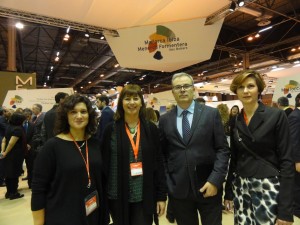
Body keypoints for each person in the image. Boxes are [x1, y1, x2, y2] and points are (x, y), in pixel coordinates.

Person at [224, 70, 294, 225]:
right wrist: (228, 191)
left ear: (259, 89)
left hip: (268, 186)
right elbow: (234, 159)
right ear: (236, 91)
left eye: (250, 86)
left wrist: (285, 210)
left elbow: (287, 161)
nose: (246, 91)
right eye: (241, 87)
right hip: (242, 187)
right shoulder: (235, 120)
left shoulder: (275, 116)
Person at [159, 72, 230, 225]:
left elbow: (222, 149)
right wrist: (169, 182)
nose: (182, 90)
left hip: (208, 187)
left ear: (193, 89)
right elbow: (163, 154)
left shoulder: (211, 114)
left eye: (186, 86)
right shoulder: (165, 120)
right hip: (179, 190)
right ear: (173, 92)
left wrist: (215, 180)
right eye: (178, 87)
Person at [31, 94, 109, 225]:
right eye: (73, 112)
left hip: (93, 213)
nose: (79, 116)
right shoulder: (52, 146)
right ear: (65, 116)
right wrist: (38, 222)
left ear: (90, 115)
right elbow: (39, 188)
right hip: (63, 215)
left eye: (83, 112)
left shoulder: (94, 143)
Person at [101, 84, 167, 225]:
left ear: (141, 103)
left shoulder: (151, 129)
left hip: (144, 195)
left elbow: (159, 163)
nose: (131, 103)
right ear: (121, 103)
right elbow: (103, 165)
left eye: (135, 98)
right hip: (117, 195)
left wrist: (161, 196)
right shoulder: (110, 130)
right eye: (127, 98)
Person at [0, 112, 26, 199]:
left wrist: (3, 151)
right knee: (14, 174)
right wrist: (6, 152)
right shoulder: (18, 129)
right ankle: (14, 193)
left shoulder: (8, 127)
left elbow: (4, 140)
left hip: (8, 154)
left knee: (8, 174)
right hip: (15, 155)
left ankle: (8, 192)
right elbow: (11, 143)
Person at [288, 93, 300, 218]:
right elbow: (294, 140)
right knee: (297, 187)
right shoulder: (295, 116)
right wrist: (297, 161)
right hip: (297, 161)